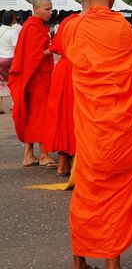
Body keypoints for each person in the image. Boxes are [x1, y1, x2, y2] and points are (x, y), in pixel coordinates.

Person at [64, 0, 132, 269]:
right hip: (117, 127)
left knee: (87, 193)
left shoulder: (73, 28)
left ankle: (79, 266)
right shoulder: (119, 27)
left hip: (88, 128)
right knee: (117, 191)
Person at [8, 0, 55, 168]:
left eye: (51, 9)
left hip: (35, 77)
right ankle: (43, 155)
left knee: (32, 115)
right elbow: (33, 56)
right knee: (42, 116)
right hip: (38, 78)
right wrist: (54, 48)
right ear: (36, 9)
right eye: (47, 9)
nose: (50, 12)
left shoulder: (32, 25)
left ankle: (28, 155)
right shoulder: (33, 26)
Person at [43, 9, 84, 177]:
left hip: (63, 70)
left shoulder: (68, 21)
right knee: (76, 116)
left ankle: (62, 163)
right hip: (80, 71)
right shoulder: (91, 23)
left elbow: (57, 48)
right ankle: (75, 162)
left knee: (60, 116)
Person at [0, 11, 21, 114]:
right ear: (12, 20)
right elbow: (16, 47)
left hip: (0, 59)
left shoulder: (0, 30)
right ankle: (13, 104)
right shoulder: (13, 32)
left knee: (0, 83)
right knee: (14, 82)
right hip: (10, 59)